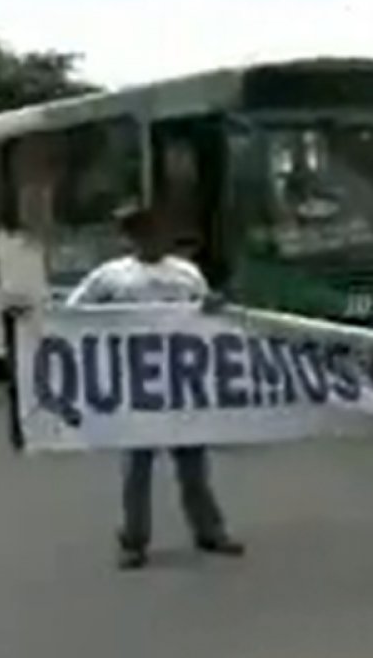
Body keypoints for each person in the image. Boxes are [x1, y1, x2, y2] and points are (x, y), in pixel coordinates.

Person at [66, 204, 245, 570]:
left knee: (194, 466)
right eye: (141, 233)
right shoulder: (112, 277)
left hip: (181, 386)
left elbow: (207, 314)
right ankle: (133, 540)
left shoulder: (186, 274)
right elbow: (74, 313)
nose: (151, 239)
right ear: (129, 238)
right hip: (138, 389)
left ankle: (209, 531)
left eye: (155, 231)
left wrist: (214, 307)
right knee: (137, 469)